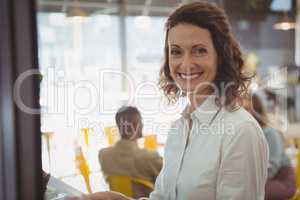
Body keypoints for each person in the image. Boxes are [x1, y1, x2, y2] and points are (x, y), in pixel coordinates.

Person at [73, 1, 269, 199]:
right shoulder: (179, 128)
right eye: (176, 51)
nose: (185, 64)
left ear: (221, 55)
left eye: (199, 50)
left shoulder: (241, 132)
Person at [98, 106, 163, 198]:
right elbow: (169, 184)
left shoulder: (103, 155)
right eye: (141, 121)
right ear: (136, 124)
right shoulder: (151, 158)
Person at [244, 94, 296, 200]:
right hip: (265, 180)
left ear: (256, 111)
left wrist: (254, 183)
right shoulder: (247, 135)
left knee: (253, 194)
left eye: (247, 109)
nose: (243, 114)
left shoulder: (269, 132)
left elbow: (272, 166)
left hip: (282, 180)